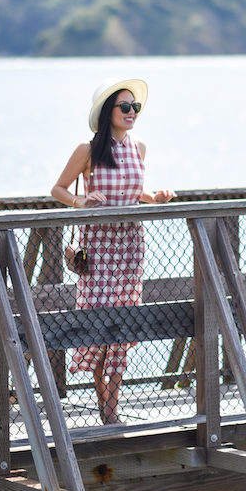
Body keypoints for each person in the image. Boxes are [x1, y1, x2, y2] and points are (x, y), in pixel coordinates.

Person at [52, 78, 175, 424]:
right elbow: (58, 189)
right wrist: (81, 200)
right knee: (100, 321)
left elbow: (135, 191)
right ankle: (104, 401)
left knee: (124, 322)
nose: (131, 112)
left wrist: (156, 197)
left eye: (135, 106)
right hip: (99, 247)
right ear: (109, 112)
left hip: (131, 246)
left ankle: (112, 405)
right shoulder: (87, 150)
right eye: (125, 106)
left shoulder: (140, 148)